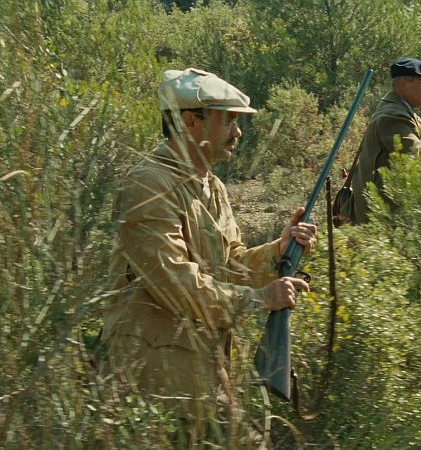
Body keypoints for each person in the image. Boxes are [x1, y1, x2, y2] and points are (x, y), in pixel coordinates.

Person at [99, 68, 317, 446]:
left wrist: (277, 252)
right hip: (153, 382)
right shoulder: (148, 184)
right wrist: (260, 299)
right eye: (228, 121)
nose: (238, 133)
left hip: (200, 375)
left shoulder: (211, 186)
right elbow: (177, 283)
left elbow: (229, 266)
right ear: (190, 122)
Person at [341, 57, 421, 224]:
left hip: (390, 215)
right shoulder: (393, 116)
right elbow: (419, 161)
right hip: (382, 220)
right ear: (403, 84)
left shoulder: (406, 112)